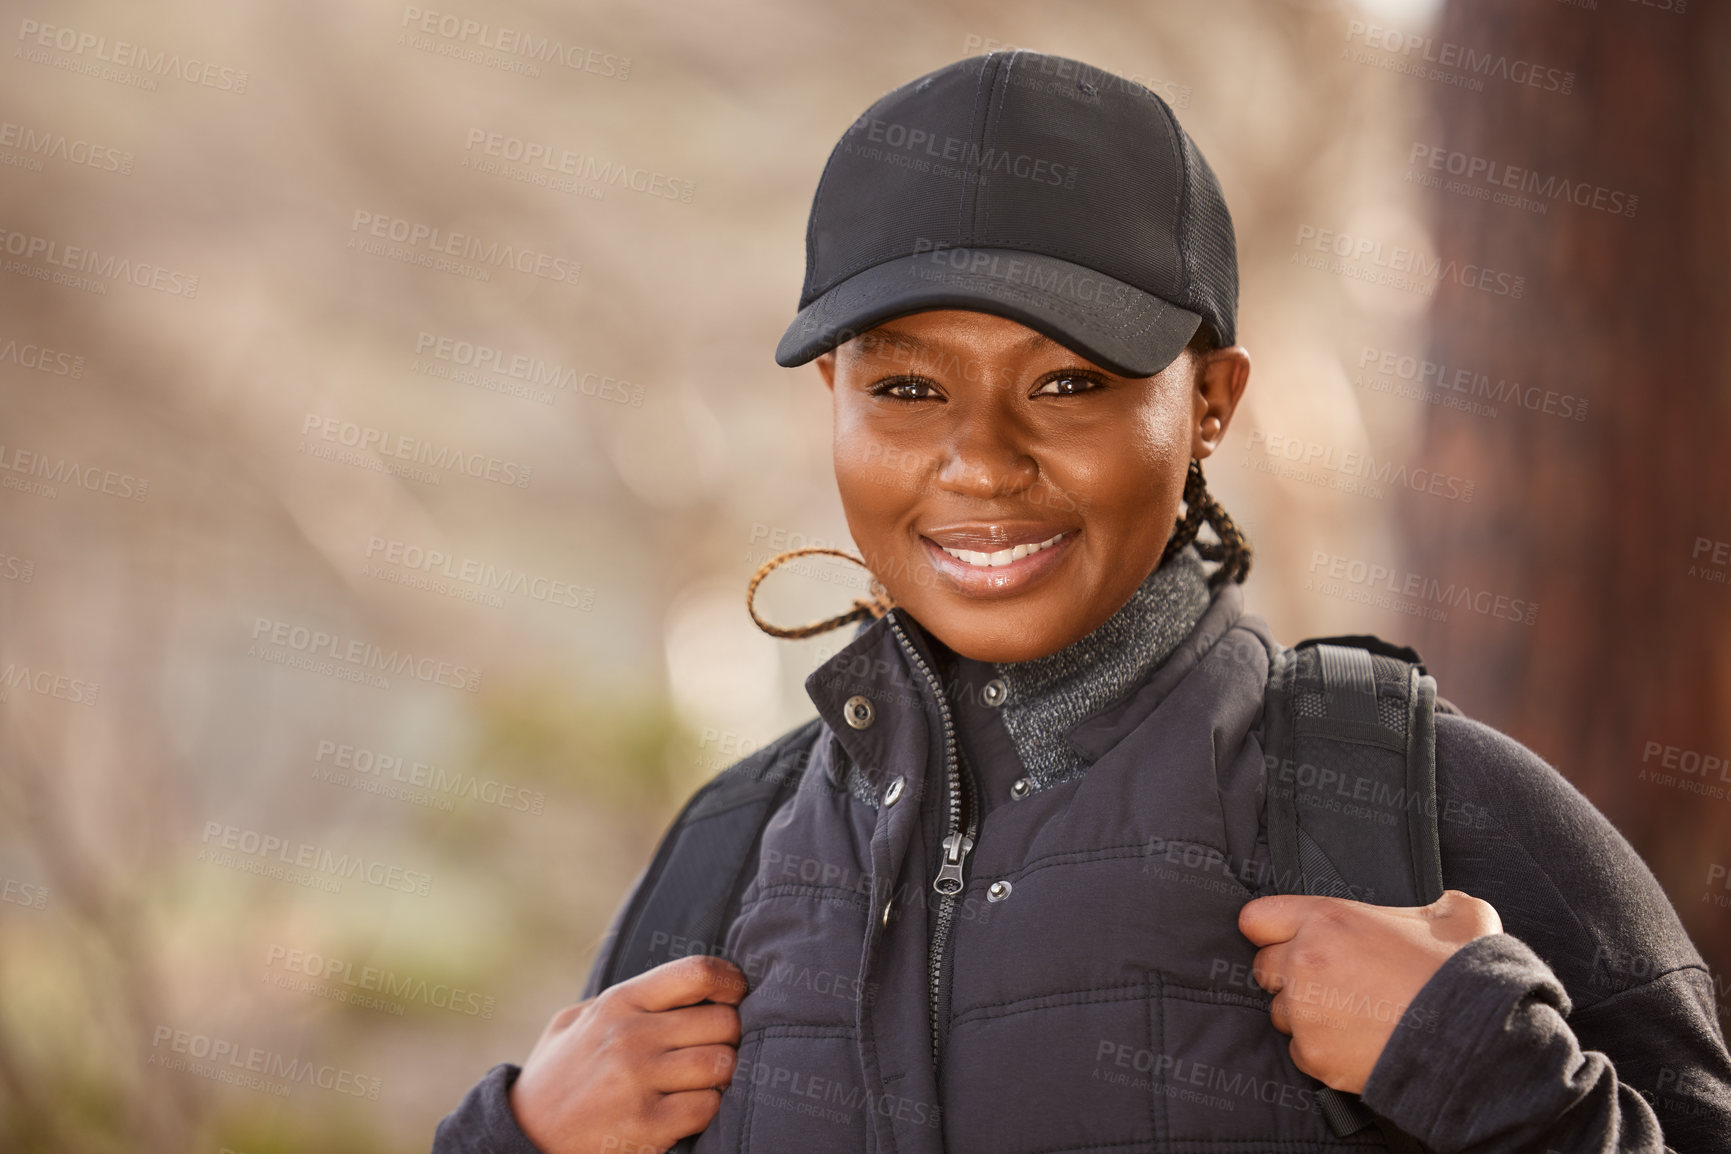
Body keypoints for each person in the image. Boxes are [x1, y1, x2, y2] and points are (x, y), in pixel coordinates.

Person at [433, 51, 1731, 1153]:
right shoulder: (726, 853)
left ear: (1211, 400)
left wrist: (1480, 1067)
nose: (984, 462)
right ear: (828, 399)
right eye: (907, 389)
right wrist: (520, 1134)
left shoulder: (1429, 814)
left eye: (1068, 385)